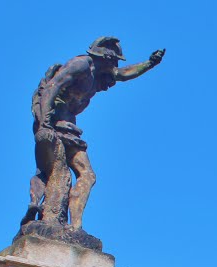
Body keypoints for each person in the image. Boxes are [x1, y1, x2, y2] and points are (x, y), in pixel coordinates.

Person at [21, 37, 165, 229]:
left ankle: (75, 227)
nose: (115, 66)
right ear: (106, 58)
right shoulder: (80, 65)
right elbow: (51, 88)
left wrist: (149, 64)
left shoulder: (97, 76)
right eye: (114, 61)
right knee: (54, 172)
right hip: (53, 125)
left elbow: (123, 74)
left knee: (87, 175)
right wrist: (45, 123)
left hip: (70, 130)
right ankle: (41, 207)